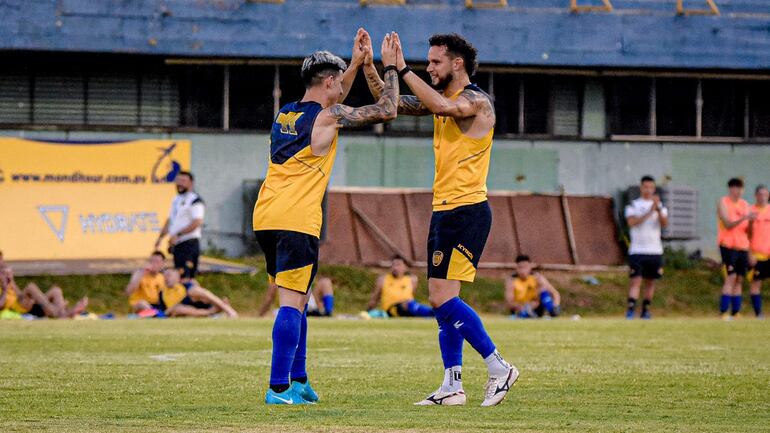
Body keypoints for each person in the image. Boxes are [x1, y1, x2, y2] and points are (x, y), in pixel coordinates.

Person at [362, 31, 517, 407]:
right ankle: (453, 386)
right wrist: (370, 66)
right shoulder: (441, 100)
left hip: (466, 211)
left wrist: (401, 66)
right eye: (427, 62)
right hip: (445, 210)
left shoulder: (476, 101)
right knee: (441, 302)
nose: (429, 67)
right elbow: (390, 101)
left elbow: (445, 108)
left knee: (441, 300)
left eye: (434, 62)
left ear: (457, 63)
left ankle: (499, 367)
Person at [252, 30, 400, 405]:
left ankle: (298, 380)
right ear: (329, 82)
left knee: (299, 300)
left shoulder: (286, 113)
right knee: (291, 302)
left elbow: (334, 98)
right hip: (297, 218)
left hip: (267, 215)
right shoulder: (329, 117)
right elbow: (387, 110)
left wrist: (353, 64)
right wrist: (389, 68)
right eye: (339, 81)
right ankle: (278, 388)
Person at [624, 175, 669, 320]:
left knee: (650, 282)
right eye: (645, 187)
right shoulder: (633, 205)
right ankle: (631, 309)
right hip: (637, 250)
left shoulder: (660, 206)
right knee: (635, 281)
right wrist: (650, 211)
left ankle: (646, 309)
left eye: (651, 187)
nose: (648, 190)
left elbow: (664, 223)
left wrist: (658, 209)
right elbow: (632, 222)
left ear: (654, 188)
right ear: (641, 187)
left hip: (654, 250)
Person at [0, 250, 88, 318]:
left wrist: (10, 282)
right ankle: (61, 311)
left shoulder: (7, 278)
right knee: (31, 287)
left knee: (56, 291)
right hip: (17, 308)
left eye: (2, 259)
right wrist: (4, 290)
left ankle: (61, 311)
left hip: (25, 304)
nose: (2, 262)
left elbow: (18, 294)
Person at [155, 171, 204, 283]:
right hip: (177, 244)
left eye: (183, 181)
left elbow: (197, 222)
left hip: (189, 243)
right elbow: (170, 221)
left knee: (187, 278)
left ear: (191, 183)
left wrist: (178, 235)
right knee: (179, 275)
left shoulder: (195, 200)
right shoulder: (176, 199)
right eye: (178, 181)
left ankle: (197, 299)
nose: (180, 184)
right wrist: (160, 238)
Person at [717, 178, 755, 320]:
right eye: (734, 188)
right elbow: (727, 224)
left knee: (739, 278)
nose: (737, 191)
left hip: (742, 246)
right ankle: (723, 311)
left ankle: (736, 312)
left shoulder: (745, 205)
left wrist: (750, 222)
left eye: (740, 188)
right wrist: (744, 218)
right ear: (730, 189)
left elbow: (749, 232)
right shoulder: (723, 202)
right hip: (728, 245)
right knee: (731, 277)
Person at [367, 255, 433, 317]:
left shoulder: (412, 280)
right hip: (391, 309)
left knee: (410, 304)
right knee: (407, 304)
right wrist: (369, 311)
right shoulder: (383, 279)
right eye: (393, 265)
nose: (395, 268)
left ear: (405, 267)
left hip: (409, 307)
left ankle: (430, 313)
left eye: (398, 265)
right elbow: (375, 297)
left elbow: (411, 294)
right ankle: (432, 313)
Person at [159, 268, 238, 318]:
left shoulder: (185, 285)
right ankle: (213, 312)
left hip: (195, 303)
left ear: (177, 276)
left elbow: (200, 292)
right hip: (180, 310)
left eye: (169, 275)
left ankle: (227, 309)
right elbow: (165, 312)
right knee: (177, 308)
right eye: (164, 275)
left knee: (194, 291)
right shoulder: (162, 293)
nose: (166, 278)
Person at [258, 276, 335, 317]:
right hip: (289, 306)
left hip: (308, 303)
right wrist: (260, 315)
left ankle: (328, 312)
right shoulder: (278, 273)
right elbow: (269, 298)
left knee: (326, 282)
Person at [748, 184, 769, 319]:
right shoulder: (750, 211)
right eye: (760, 194)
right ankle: (758, 313)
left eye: (765, 194)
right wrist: (748, 253)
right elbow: (744, 235)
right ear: (756, 196)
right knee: (756, 283)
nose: (762, 197)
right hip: (756, 254)